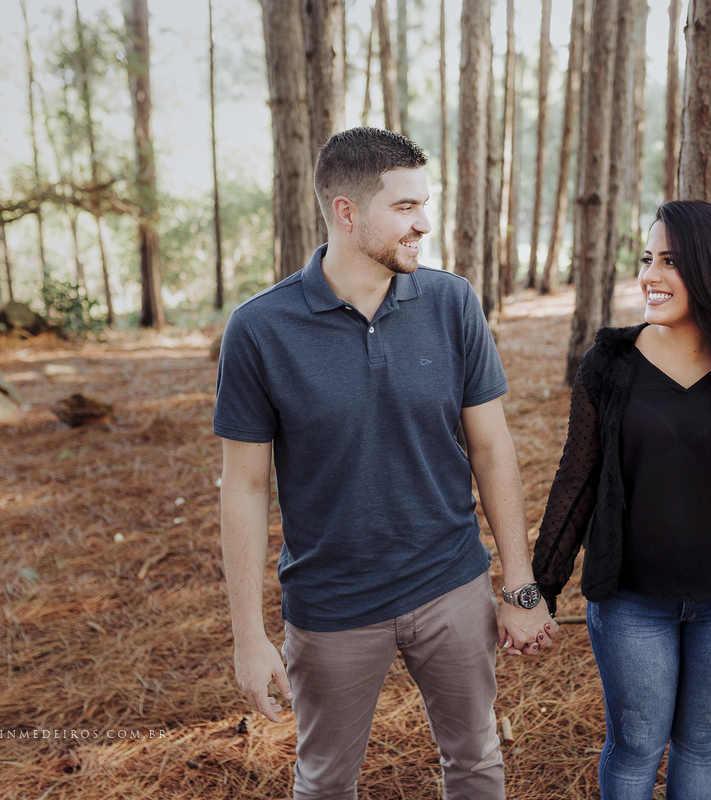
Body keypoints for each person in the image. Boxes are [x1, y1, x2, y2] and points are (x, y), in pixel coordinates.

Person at [215, 127, 556, 800]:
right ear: (346, 211)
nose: (423, 224)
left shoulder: (452, 302)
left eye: (424, 205)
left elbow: (492, 449)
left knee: (477, 760)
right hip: (332, 606)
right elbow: (245, 487)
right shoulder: (259, 329)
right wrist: (249, 637)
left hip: (452, 586)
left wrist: (518, 585)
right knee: (324, 782)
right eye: (405, 208)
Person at [532, 200, 711, 799]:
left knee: (703, 744)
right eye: (646, 258)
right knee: (635, 747)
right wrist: (540, 590)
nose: (649, 275)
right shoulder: (608, 364)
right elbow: (576, 480)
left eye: (671, 261)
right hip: (633, 605)